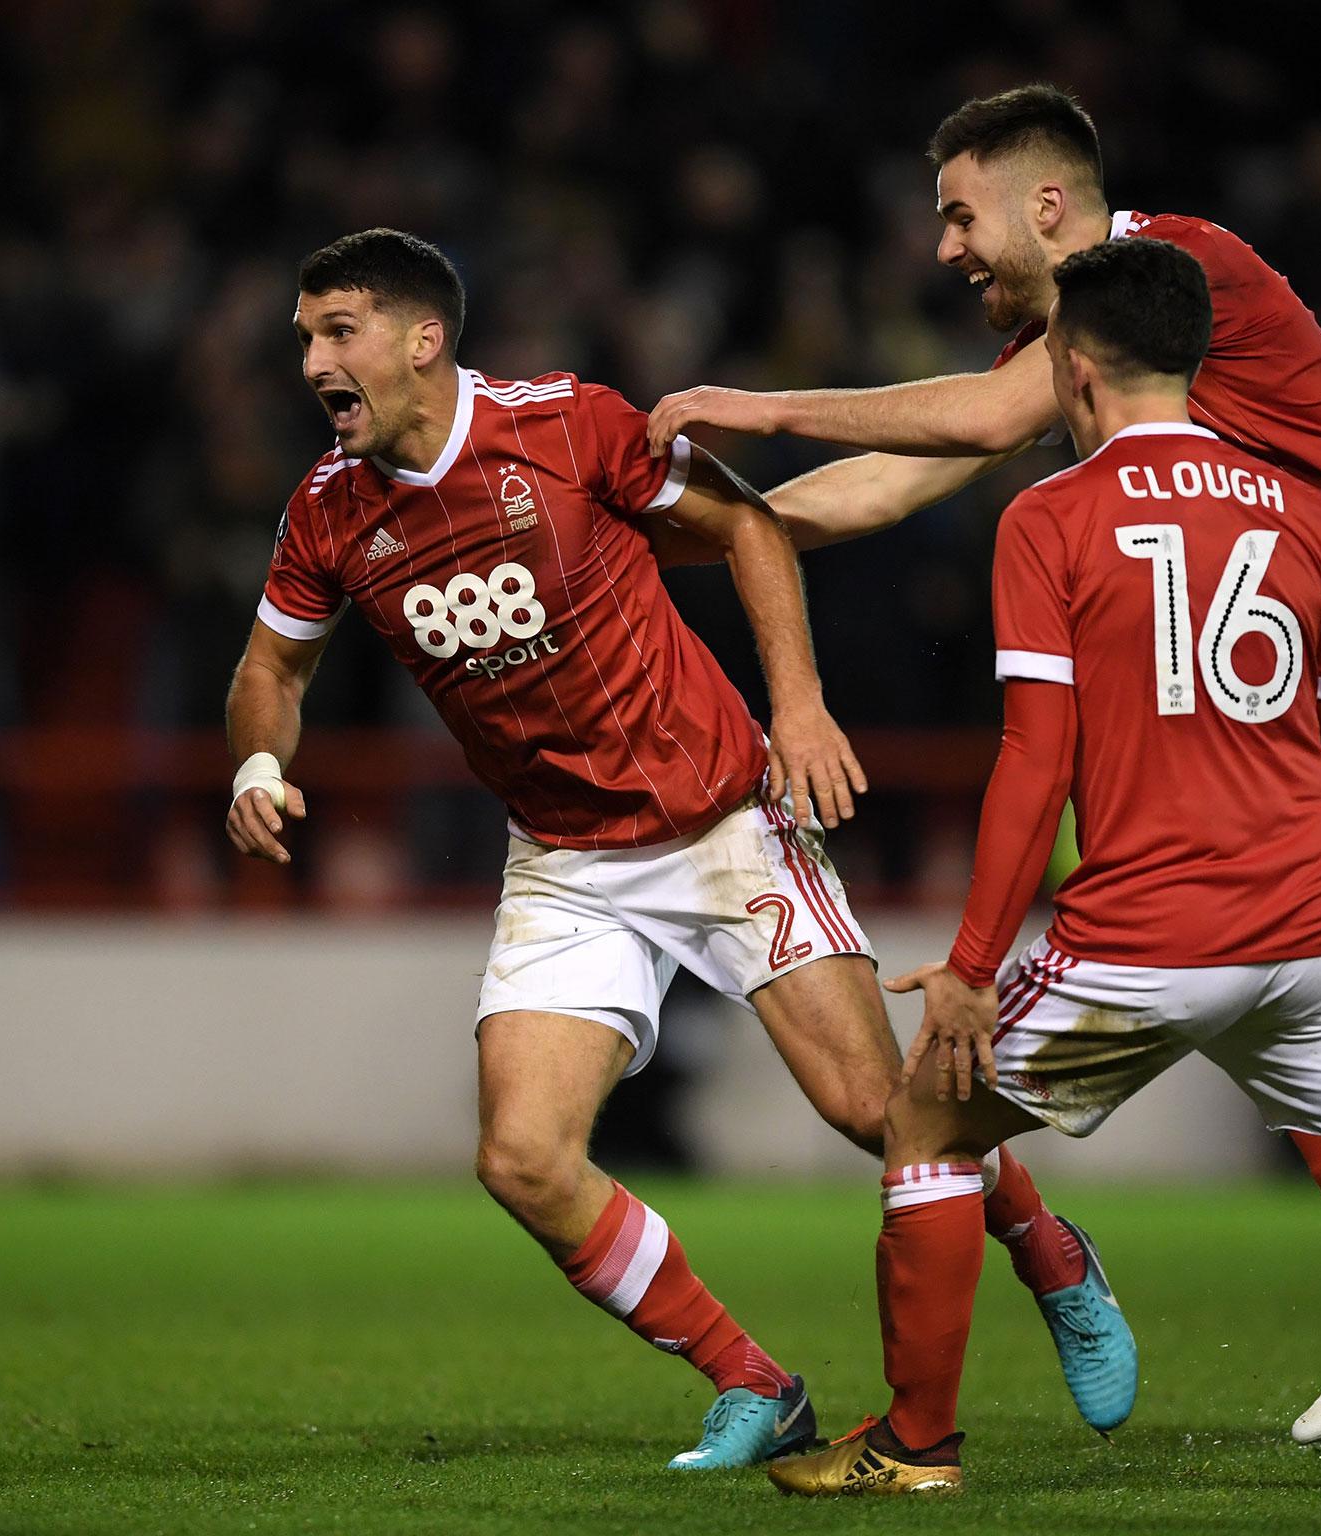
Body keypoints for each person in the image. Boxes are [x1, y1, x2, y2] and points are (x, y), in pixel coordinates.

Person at [649, 83, 1321, 1465]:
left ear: (1047, 205)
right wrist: (680, 537)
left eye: (960, 213)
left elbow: (973, 423)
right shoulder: (1098, 359)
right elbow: (892, 479)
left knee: (1281, 938)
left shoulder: (1184, 267)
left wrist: (748, 405)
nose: (945, 249)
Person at [224, 227, 1135, 1470]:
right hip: (564, 858)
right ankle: (750, 1378)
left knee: (876, 1112)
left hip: (723, 820)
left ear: (420, 340)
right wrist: (258, 760)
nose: (313, 359)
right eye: (304, 338)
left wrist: (798, 707)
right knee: (522, 1159)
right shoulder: (327, 512)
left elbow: (749, 527)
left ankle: (1049, 1251)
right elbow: (271, 665)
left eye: (336, 332)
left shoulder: (563, 425)